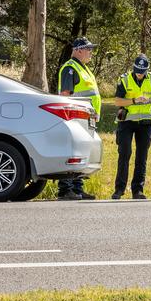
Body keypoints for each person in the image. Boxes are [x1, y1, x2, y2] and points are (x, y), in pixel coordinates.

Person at [111, 54, 151, 200]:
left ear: (147, 70)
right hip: (126, 122)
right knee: (124, 153)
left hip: (146, 123)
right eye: (137, 70)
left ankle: (138, 190)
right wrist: (134, 100)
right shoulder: (124, 79)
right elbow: (117, 101)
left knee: (142, 157)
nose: (139, 73)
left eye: (142, 71)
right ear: (133, 68)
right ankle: (119, 189)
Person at [56, 37, 101, 201]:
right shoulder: (70, 68)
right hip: (74, 119)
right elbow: (65, 95)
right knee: (71, 153)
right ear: (78, 50)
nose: (91, 52)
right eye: (88, 49)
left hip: (86, 119)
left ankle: (77, 188)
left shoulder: (84, 68)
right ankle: (65, 189)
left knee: (81, 154)